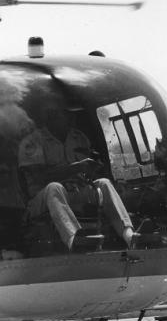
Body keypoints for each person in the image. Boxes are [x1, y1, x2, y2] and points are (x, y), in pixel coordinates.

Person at [18, 108, 138, 251]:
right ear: (49, 116)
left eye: (68, 113)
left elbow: (89, 169)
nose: (69, 117)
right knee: (54, 187)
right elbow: (39, 177)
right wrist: (76, 168)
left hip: (76, 191)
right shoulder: (32, 142)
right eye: (61, 113)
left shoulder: (79, 137)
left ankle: (129, 236)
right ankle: (75, 239)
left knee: (104, 183)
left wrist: (91, 171)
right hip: (43, 199)